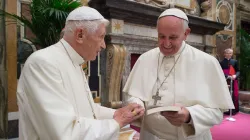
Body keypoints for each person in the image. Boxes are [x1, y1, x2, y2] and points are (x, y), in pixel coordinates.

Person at [17, 6, 144, 140]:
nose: (103, 45)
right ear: (80, 35)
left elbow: (89, 112)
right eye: (101, 37)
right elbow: (64, 132)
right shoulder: (43, 63)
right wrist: (118, 121)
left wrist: (117, 113)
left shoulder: (75, 62)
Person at [123, 8, 234, 140]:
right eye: (161, 36)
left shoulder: (207, 62)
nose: (166, 43)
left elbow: (217, 113)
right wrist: (137, 104)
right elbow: (133, 95)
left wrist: (189, 115)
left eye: (173, 37)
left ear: (186, 33)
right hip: (150, 136)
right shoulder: (145, 59)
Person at [220, 48, 240, 115]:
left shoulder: (235, 61)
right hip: (225, 80)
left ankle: (233, 110)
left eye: (230, 53)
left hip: (233, 80)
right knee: (226, 94)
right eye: (227, 53)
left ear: (232, 54)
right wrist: (227, 76)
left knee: (234, 94)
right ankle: (226, 110)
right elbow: (220, 72)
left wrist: (235, 76)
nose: (229, 54)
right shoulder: (221, 62)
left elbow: (238, 71)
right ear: (224, 54)